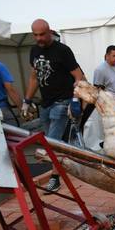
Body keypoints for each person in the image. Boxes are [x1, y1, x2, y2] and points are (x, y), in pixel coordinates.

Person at [21, 19, 85, 194]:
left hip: (62, 101)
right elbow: (34, 77)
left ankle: (55, 179)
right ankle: (65, 165)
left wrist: (74, 100)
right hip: (46, 103)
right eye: (35, 35)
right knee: (54, 141)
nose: (39, 38)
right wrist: (26, 100)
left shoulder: (62, 51)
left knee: (52, 142)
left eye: (42, 34)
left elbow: (79, 76)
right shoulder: (34, 50)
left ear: (49, 32)